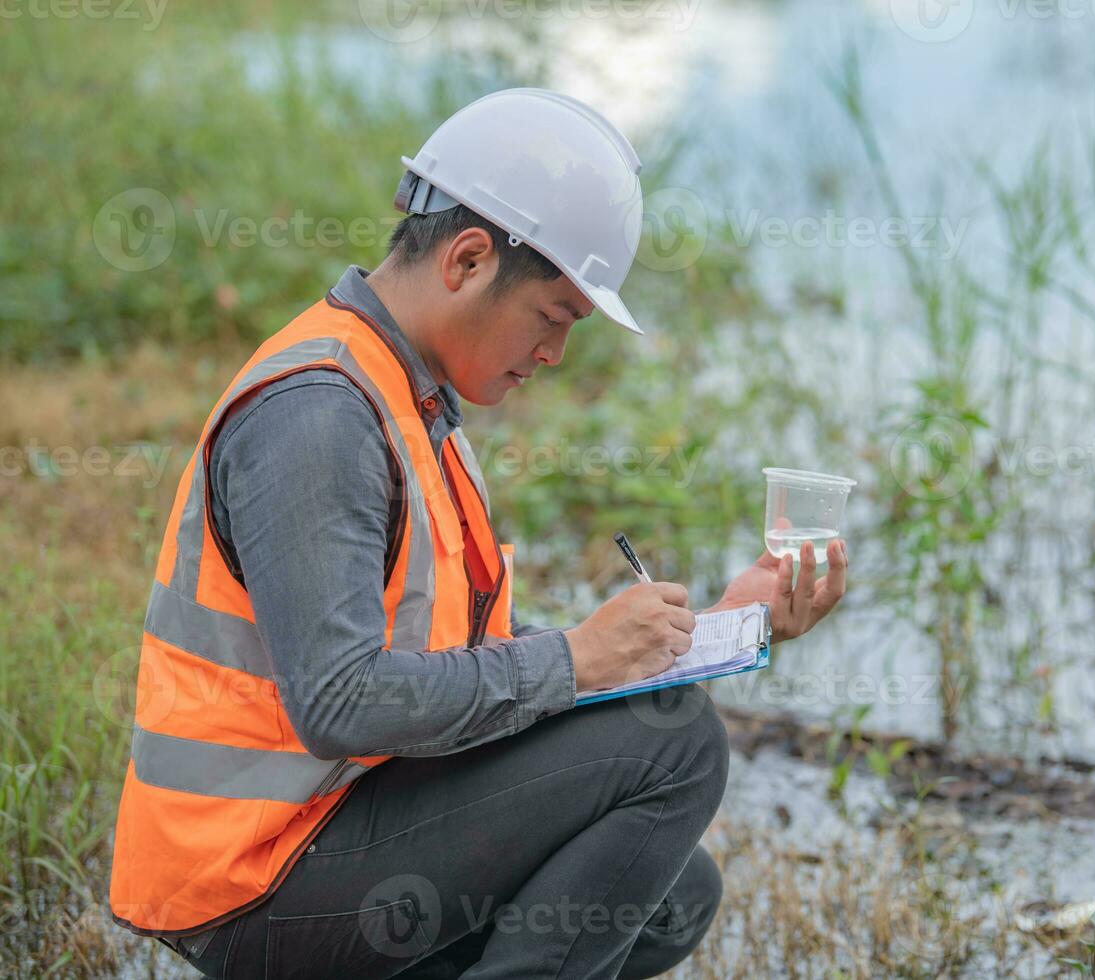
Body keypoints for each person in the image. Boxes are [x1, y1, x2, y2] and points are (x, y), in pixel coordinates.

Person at [106, 88, 848, 979]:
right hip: (250, 879)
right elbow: (340, 703)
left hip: (330, 819)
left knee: (669, 893)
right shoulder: (319, 417)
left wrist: (730, 624)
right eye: (553, 317)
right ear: (465, 260)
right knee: (674, 741)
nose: (554, 354)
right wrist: (577, 659)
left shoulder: (411, 398)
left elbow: (455, 654)